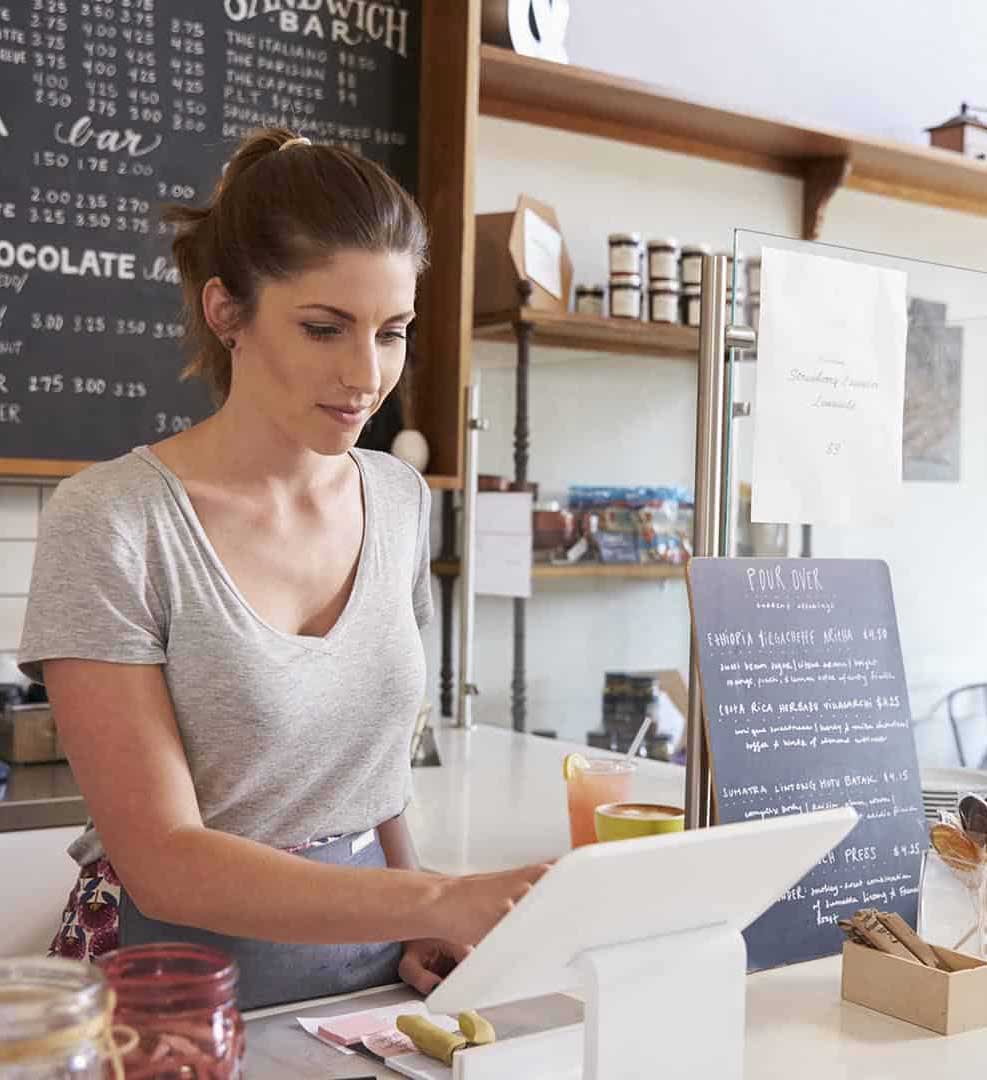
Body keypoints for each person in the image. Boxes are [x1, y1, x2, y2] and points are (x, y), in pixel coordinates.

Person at [19, 128, 547, 1010]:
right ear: (227, 312)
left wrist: (421, 919)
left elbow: (372, 776)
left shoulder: (399, 500)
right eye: (322, 328)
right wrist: (438, 896)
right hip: (165, 998)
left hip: (366, 990)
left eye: (392, 332)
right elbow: (165, 865)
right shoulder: (112, 519)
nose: (364, 375)